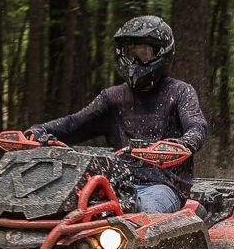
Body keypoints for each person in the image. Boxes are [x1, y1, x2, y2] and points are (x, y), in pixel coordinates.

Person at [25, 15, 207, 214]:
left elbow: (197, 126)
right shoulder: (112, 97)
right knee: (63, 209)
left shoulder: (180, 92)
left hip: (163, 186)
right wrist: (40, 131)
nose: (135, 61)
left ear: (161, 53)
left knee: (143, 216)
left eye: (143, 53)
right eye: (130, 54)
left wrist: (184, 143)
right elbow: (73, 124)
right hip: (114, 182)